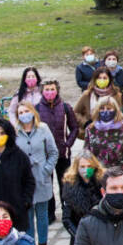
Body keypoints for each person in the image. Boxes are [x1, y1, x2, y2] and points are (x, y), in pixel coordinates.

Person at [12, 103, 58, 245]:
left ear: (33, 112)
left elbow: (53, 152)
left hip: (41, 178)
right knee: (28, 216)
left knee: (42, 215)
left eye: (26, 111)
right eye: (21, 112)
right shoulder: (15, 132)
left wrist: (47, 169)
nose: (24, 114)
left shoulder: (43, 128)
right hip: (24, 182)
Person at [37, 79, 79, 223]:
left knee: (65, 184)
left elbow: (75, 128)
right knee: (47, 184)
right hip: (44, 155)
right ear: (42, 91)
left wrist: (68, 143)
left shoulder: (66, 107)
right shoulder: (36, 109)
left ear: (57, 90)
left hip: (62, 153)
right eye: (47, 89)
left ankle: (67, 212)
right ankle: (49, 214)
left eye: (52, 89)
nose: (50, 92)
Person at [84, 96, 123, 172]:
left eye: (109, 108)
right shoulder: (90, 129)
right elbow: (86, 154)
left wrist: (121, 170)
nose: (105, 111)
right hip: (98, 175)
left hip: (120, 175)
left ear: (115, 110)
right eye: (102, 109)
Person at [73, 66, 119, 131]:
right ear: (95, 79)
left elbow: (122, 113)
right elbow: (75, 113)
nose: (102, 80)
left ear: (109, 79)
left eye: (105, 78)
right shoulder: (87, 94)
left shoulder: (116, 95)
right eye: (99, 78)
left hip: (113, 131)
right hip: (92, 132)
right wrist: (85, 123)